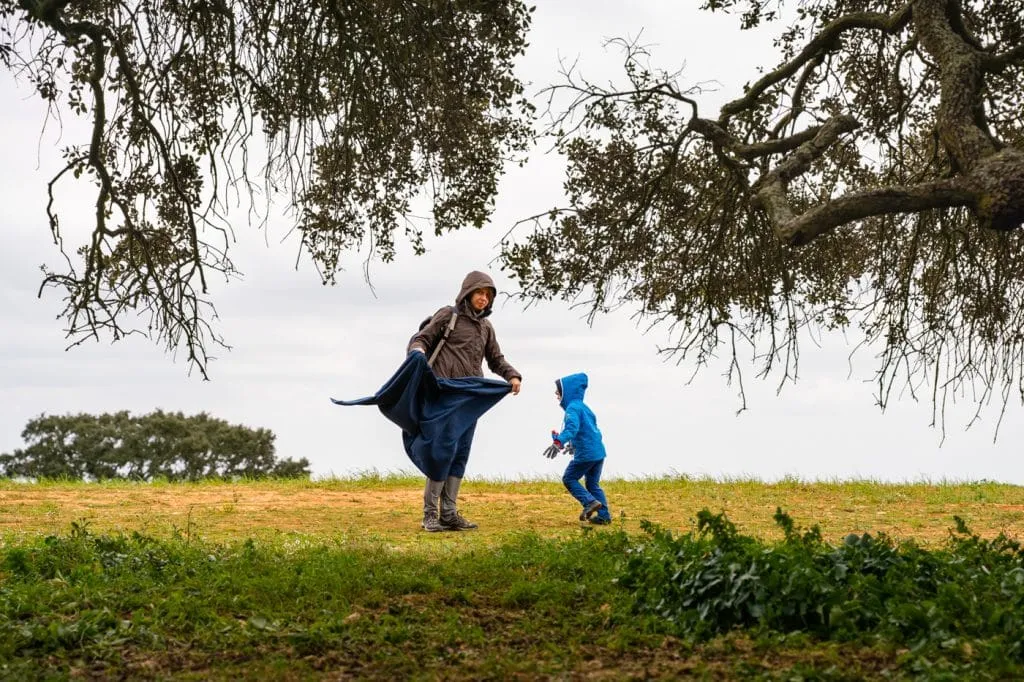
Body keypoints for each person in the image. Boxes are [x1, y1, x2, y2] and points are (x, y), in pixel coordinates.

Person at [408, 270, 522, 531]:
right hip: (445, 392)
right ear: (468, 293)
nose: (484, 298)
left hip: (471, 398)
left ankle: (449, 513)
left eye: (489, 295)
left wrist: (512, 375)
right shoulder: (449, 316)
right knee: (442, 451)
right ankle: (430, 515)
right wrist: (417, 352)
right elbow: (423, 338)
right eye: (480, 293)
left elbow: (495, 359)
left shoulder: (486, 327)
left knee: (461, 452)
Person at [545, 372, 612, 525]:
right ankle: (604, 516)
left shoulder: (572, 408)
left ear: (566, 392)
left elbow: (571, 428)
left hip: (586, 454)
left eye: (558, 390)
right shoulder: (583, 407)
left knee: (569, 478)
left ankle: (589, 503)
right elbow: (590, 429)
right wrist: (572, 445)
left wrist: (558, 443)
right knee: (592, 485)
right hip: (598, 452)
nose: (556, 393)